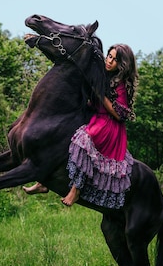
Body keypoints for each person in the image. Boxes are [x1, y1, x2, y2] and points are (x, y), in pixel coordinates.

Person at [24, 44, 138, 208]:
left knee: (84, 140)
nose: (109, 61)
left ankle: (76, 190)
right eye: (109, 56)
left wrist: (100, 94)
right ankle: (43, 181)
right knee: (62, 134)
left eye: (115, 60)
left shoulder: (121, 84)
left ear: (122, 64)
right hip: (94, 115)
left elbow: (118, 114)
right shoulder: (103, 74)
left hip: (109, 124)